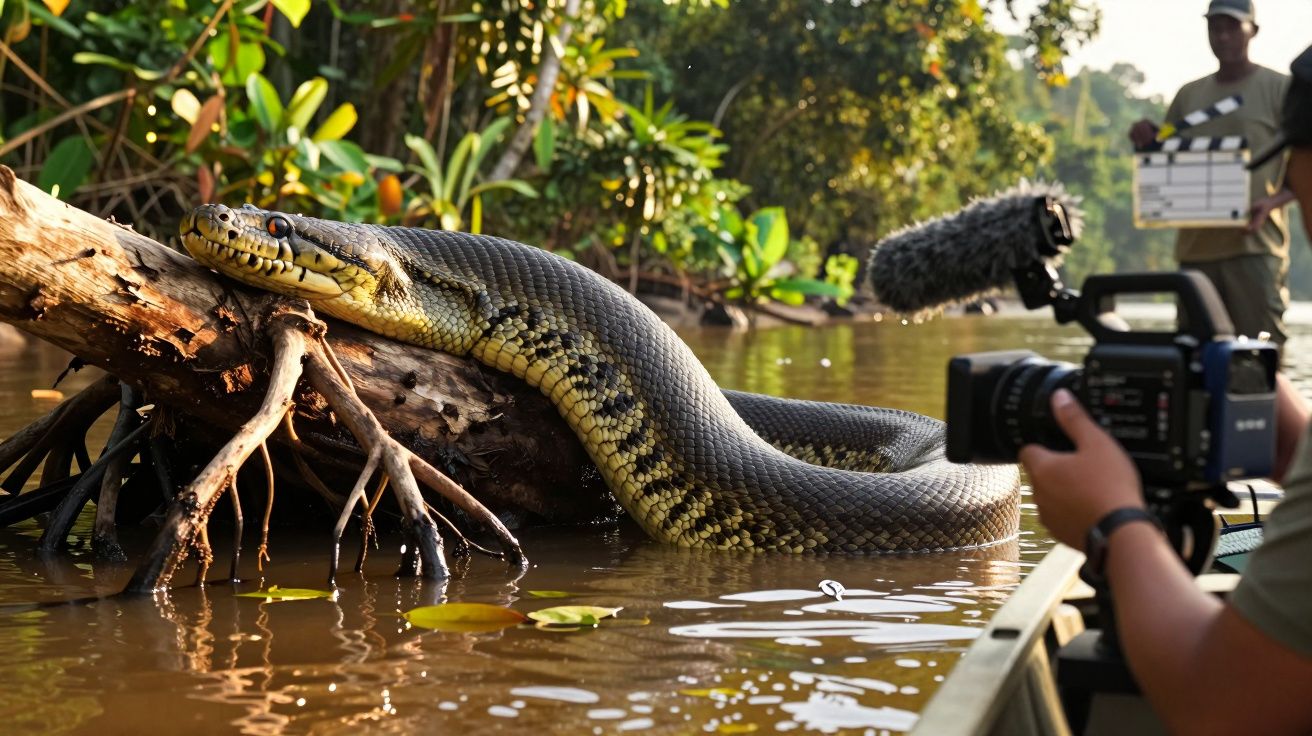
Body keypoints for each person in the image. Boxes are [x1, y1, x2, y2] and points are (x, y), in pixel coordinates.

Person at [1024, 45, 1312, 734]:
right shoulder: (1192, 94)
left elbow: (1221, 706)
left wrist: (1117, 523)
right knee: (1239, 420)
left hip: (1247, 269)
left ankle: (1238, 554)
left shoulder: (1271, 91)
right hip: (1201, 267)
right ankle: (1244, 552)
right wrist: (1299, 443)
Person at [1127, 0, 1291, 345]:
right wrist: (1146, 136)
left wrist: (1274, 201)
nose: (1223, 36)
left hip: (1255, 248)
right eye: (1215, 28)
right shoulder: (1188, 96)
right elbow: (1161, 150)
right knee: (1195, 360)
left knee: (1259, 360)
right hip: (1195, 252)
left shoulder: (1281, 89)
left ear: (1254, 31)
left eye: (1233, 27)